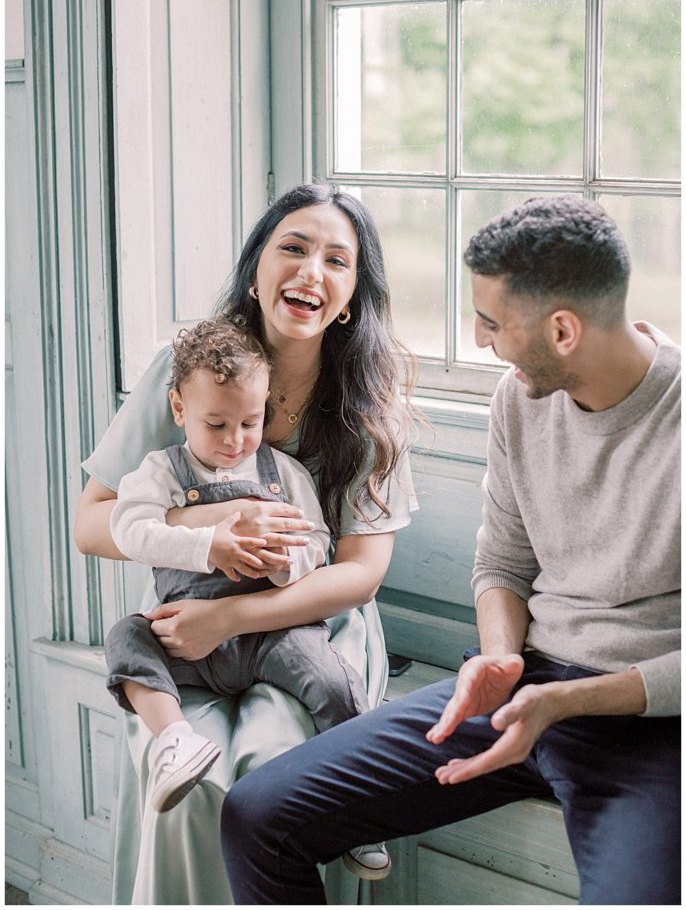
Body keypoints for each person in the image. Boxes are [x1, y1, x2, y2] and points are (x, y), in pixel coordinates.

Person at [220, 195, 680, 907]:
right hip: (523, 685)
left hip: (651, 731)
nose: (478, 336)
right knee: (258, 816)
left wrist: (569, 700)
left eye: (493, 323)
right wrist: (500, 659)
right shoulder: (519, 399)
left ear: (562, 330)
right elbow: (502, 560)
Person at [74, 183, 417, 903]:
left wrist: (228, 619)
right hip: (181, 619)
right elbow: (92, 521)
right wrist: (210, 532)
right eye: (291, 248)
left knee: (267, 779)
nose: (310, 271)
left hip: (312, 626)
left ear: (352, 294)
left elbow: (360, 573)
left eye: (336, 260)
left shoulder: (366, 401)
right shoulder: (189, 369)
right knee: (190, 790)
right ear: (256, 268)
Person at [105, 318, 374, 824]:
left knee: (331, 677)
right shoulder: (161, 472)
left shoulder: (283, 475)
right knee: (126, 640)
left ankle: (361, 804)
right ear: (180, 409)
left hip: (269, 633)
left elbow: (318, 541)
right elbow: (128, 529)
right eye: (217, 425)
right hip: (185, 637)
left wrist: (285, 564)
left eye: (250, 423)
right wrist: (208, 546)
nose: (235, 441)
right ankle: (175, 742)